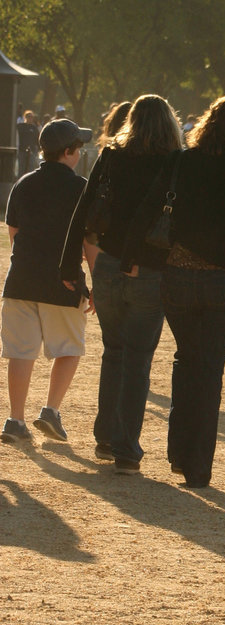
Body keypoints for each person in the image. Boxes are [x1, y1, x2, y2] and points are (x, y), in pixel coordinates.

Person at [121, 96, 225, 488]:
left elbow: (148, 210)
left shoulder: (181, 163)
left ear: (206, 125)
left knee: (186, 360)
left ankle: (179, 453)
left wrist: (130, 257)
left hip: (179, 277)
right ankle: (198, 465)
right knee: (210, 370)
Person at [61, 94, 184, 474]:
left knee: (114, 351)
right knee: (138, 358)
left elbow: (83, 209)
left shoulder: (112, 155)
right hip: (149, 269)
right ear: (170, 124)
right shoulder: (175, 162)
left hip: (108, 264)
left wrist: (69, 266)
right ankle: (127, 447)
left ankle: (105, 435)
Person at [2, 119, 95, 444]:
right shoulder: (82, 187)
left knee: (21, 353)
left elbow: (14, 233)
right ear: (69, 152)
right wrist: (96, 284)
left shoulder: (24, 183)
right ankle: (50, 411)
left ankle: (15, 419)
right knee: (70, 348)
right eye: (78, 148)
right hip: (64, 282)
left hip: (20, 282)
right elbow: (90, 242)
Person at [16, 111, 40, 177]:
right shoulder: (20, 126)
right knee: (21, 168)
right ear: (25, 117)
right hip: (22, 150)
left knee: (31, 168)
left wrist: (38, 149)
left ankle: (29, 181)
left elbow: (37, 139)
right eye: (29, 117)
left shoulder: (34, 128)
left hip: (32, 151)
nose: (30, 118)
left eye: (32, 117)